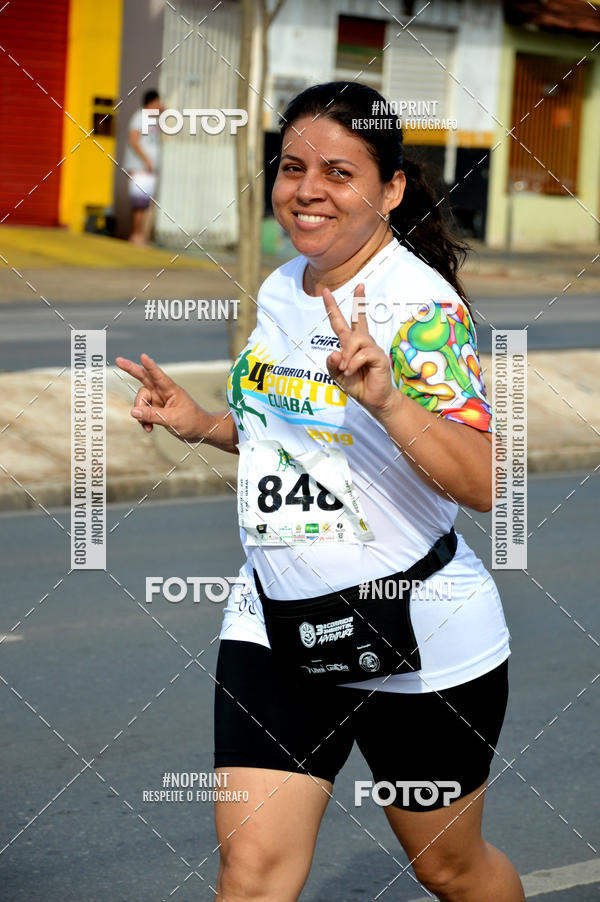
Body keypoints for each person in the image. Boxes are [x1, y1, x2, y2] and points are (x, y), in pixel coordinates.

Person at [116, 82, 525, 902]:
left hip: (415, 629)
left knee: (449, 869)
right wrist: (202, 423)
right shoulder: (282, 287)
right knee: (252, 874)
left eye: (339, 172)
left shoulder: (421, 307)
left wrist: (388, 400)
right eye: (293, 167)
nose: (308, 190)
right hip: (274, 616)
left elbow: (484, 483)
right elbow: (291, 436)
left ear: (391, 189)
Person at [123, 88, 163, 244]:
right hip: (140, 167)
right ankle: (136, 235)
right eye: (157, 102)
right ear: (151, 102)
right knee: (139, 203)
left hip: (149, 169)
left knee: (146, 203)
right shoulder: (140, 117)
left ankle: (142, 236)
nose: (160, 105)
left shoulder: (154, 120)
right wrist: (146, 159)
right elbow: (133, 140)